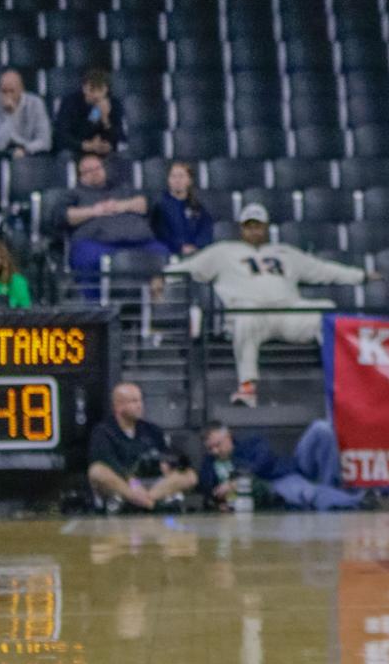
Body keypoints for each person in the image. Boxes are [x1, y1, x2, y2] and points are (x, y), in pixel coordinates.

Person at [168, 203, 367, 404]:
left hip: (288, 311)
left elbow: (323, 270)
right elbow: (188, 268)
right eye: (249, 225)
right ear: (241, 228)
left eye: (258, 225)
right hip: (251, 312)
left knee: (326, 310)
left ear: (266, 227)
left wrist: (361, 276)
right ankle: (247, 388)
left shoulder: (286, 252)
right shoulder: (223, 252)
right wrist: (162, 277)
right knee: (245, 317)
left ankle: (345, 383)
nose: (254, 230)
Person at [198, 419, 367, 512]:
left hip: (286, 470)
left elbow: (265, 460)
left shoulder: (250, 443)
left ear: (228, 436)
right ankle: (354, 500)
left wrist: (239, 480)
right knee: (309, 493)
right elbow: (207, 489)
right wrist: (217, 502)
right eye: (210, 448)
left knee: (321, 428)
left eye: (218, 445)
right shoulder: (209, 464)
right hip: (276, 484)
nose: (214, 451)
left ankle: (331, 488)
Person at [87, 381, 197, 513]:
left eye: (140, 400)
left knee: (190, 475)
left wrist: (168, 463)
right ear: (118, 406)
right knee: (96, 471)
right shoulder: (103, 431)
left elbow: (167, 454)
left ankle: (146, 501)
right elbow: (107, 460)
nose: (140, 405)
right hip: (123, 484)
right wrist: (131, 481)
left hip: (153, 485)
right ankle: (142, 502)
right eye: (134, 401)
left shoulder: (153, 430)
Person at [63, 153, 166, 283]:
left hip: (139, 241)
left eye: (98, 168)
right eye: (89, 171)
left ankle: (158, 300)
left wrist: (120, 205)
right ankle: (95, 302)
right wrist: (94, 211)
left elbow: (145, 203)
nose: (95, 173)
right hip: (96, 243)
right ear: (81, 175)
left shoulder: (123, 188)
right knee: (88, 259)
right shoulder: (74, 194)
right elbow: (65, 216)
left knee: (163, 254)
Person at [0, 69, 53, 159]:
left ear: (21, 89)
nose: (8, 96)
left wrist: (25, 149)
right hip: (1, 153)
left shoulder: (36, 103)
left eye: (12, 91)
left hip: (29, 151)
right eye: (4, 91)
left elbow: (45, 142)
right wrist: (10, 115)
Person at [54, 68, 126, 157]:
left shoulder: (114, 104)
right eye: (92, 90)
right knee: (65, 155)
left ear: (107, 89)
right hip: (78, 148)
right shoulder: (70, 102)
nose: (96, 95)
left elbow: (120, 137)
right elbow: (62, 135)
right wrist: (86, 145)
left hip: (103, 151)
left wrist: (105, 119)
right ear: (84, 88)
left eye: (100, 90)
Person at [150, 160, 214, 258]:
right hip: (169, 255)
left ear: (189, 180)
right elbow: (160, 234)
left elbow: (205, 231)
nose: (177, 180)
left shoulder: (198, 208)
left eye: (181, 176)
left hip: (196, 256)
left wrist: (196, 247)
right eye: (173, 176)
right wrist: (179, 247)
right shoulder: (159, 207)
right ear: (168, 180)